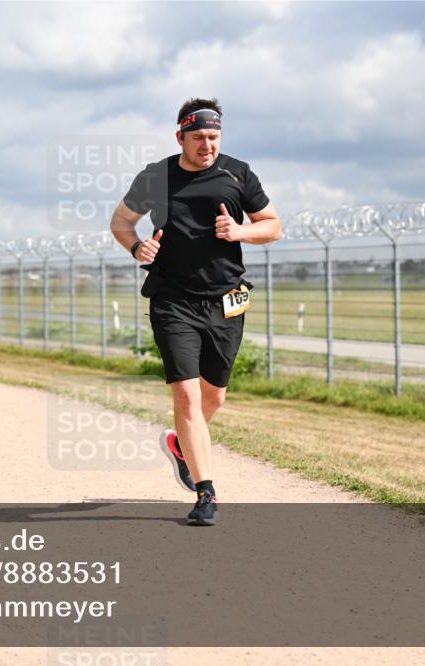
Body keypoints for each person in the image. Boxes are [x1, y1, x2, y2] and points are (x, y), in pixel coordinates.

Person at [110, 98, 281, 526]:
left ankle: (181, 443)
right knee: (185, 394)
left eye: (214, 137)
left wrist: (241, 230)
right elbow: (120, 221)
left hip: (226, 298)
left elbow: (273, 225)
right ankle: (206, 493)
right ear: (180, 137)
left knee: (213, 396)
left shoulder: (237, 173)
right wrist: (136, 246)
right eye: (199, 137)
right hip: (172, 298)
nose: (207, 145)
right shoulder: (156, 176)